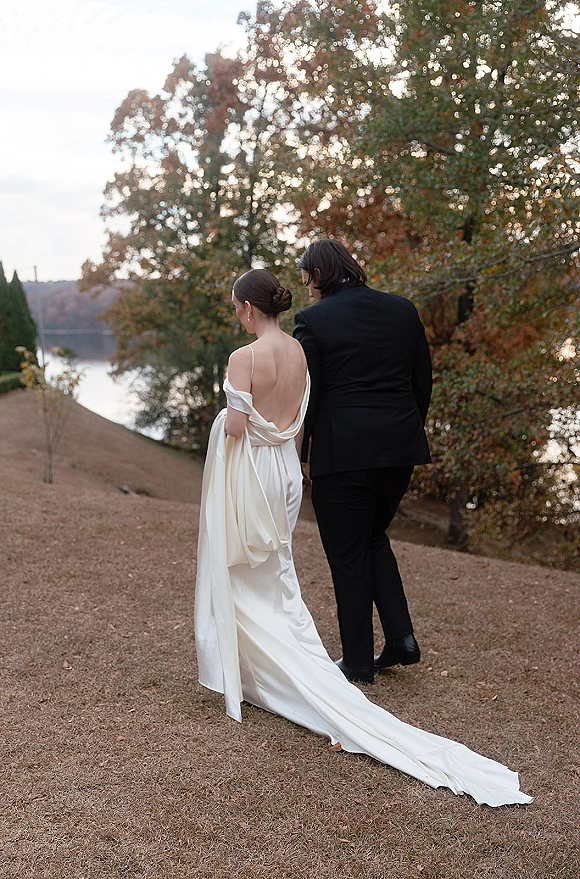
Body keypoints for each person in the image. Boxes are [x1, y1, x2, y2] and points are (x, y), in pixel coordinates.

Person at [194, 268, 532, 807]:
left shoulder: (244, 357)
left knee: (245, 567)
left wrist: (224, 421)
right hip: (282, 467)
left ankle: (263, 670)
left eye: (236, 304)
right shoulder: (300, 352)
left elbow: (236, 429)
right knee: (275, 566)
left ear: (249, 309)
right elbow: (294, 421)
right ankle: (274, 662)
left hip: (253, 469)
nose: (236, 312)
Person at [293, 239, 432, 684]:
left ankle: (356, 662)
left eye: (306, 277)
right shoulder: (402, 309)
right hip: (399, 448)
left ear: (318, 274)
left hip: (344, 452)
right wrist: (404, 432)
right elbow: (421, 383)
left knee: (348, 553)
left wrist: (301, 454)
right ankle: (401, 640)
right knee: (372, 537)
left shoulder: (312, 321)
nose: (305, 287)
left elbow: (307, 398)